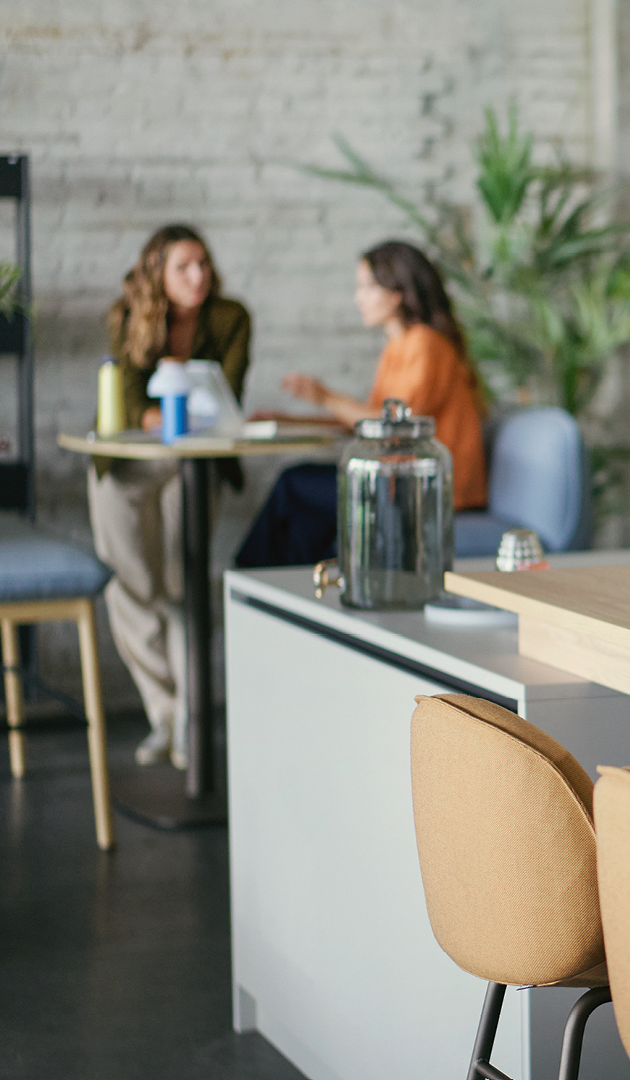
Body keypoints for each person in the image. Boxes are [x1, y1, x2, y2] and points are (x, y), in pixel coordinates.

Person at [93, 225, 252, 766]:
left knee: (185, 586)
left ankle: (190, 725)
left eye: (204, 264)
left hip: (195, 462)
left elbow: (226, 397)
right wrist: (175, 410)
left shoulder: (230, 318)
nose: (199, 276)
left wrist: (177, 412)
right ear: (157, 273)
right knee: (129, 585)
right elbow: (136, 403)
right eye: (184, 266)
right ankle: (164, 714)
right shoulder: (127, 314)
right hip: (129, 463)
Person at [234, 241, 486, 567]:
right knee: (305, 518)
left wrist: (324, 396)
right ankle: (280, 593)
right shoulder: (398, 347)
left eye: (367, 287)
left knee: (294, 485)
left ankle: (246, 579)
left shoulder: (426, 345)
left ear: (396, 293)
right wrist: (289, 420)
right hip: (401, 481)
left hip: (432, 490)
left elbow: (393, 426)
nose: (359, 298)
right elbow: (365, 422)